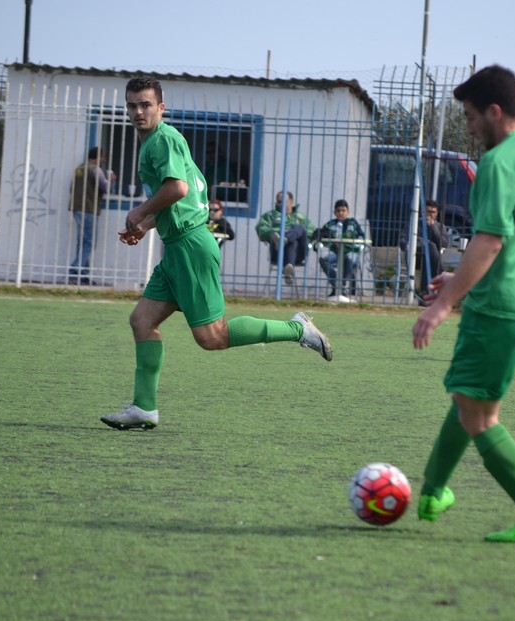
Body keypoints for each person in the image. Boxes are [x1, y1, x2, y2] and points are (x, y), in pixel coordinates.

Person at [100, 76, 332, 430]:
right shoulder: (159, 142)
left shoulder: (163, 140)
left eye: (145, 105)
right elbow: (185, 196)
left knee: (213, 337)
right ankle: (144, 408)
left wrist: (139, 212)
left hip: (190, 248)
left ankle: (296, 329)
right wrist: (145, 226)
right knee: (142, 321)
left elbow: (177, 189)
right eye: (132, 105)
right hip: (178, 247)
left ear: (161, 107)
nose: (138, 112)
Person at [411, 65, 515, 544]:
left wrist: (443, 304)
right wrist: (462, 278)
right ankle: (433, 491)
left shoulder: (500, 162)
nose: (467, 128)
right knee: (470, 398)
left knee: (480, 416)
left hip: (501, 309)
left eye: (469, 116)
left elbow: (490, 239)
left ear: (494, 112)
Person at [68, 147, 115, 285]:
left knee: (82, 242)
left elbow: (71, 188)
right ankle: (75, 270)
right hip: (88, 209)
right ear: (97, 157)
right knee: (89, 243)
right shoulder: (95, 170)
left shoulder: (79, 168)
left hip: (76, 208)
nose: (104, 160)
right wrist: (111, 180)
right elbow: (106, 188)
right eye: (103, 157)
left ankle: (83, 275)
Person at [254, 191, 314, 285]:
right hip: (277, 252)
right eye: (279, 202)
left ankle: (283, 239)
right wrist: (278, 232)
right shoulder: (270, 216)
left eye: (284, 202)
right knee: (293, 241)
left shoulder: (300, 217)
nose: (281, 204)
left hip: (299, 253)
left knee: (300, 228)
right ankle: (288, 269)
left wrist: (290, 233)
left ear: (291, 202)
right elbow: (261, 230)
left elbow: (312, 231)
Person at [312, 199, 366, 297]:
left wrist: (356, 242)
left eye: (343, 210)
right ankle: (337, 285)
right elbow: (321, 234)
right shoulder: (330, 224)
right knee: (323, 259)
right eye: (338, 210)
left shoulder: (353, 223)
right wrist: (332, 240)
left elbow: (361, 236)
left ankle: (341, 286)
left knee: (350, 258)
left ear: (348, 212)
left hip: (351, 251)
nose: (341, 213)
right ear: (334, 213)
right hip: (336, 252)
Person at [400, 199, 449, 298]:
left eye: (433, 212)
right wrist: (410, 245)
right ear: (423, 212)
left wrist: (433, 227)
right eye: (428, 211)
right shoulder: (414, 223)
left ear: (437, 213)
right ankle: (441, 272)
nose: (430, 214)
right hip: (415, 256)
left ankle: (424, 293)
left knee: (429, 254)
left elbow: (444, 244)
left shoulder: (440, 227)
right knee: (431, 246)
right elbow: (402, 240)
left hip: (431, 259)